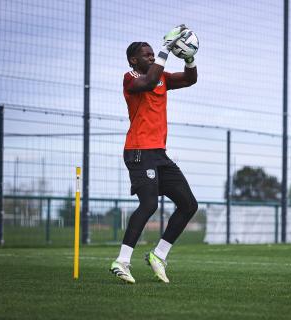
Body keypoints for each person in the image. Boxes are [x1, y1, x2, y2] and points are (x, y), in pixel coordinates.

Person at [110, 25, 198, 284]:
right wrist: (164, 49)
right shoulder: (130, 78)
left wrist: (190, 57)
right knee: (149, 204)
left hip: (159, 154)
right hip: (138, 151)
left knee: (189, 204)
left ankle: (158, 255)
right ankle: (122, 261)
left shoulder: (163, 77)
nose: (150, 57)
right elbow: (148, 82)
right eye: (145, 54)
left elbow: (190, 79)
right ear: (133, 60)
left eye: (152, 54)